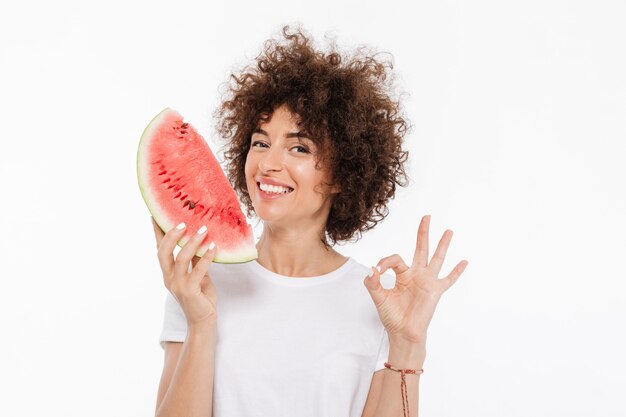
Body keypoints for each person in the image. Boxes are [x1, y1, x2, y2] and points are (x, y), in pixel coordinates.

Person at [151, 25, 468, 417]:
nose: (268, 164)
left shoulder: (378, 299)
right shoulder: (199, 284)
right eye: (261, 142)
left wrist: (407, 344)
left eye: (299, 147)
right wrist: (200, 323)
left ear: (341, 173)